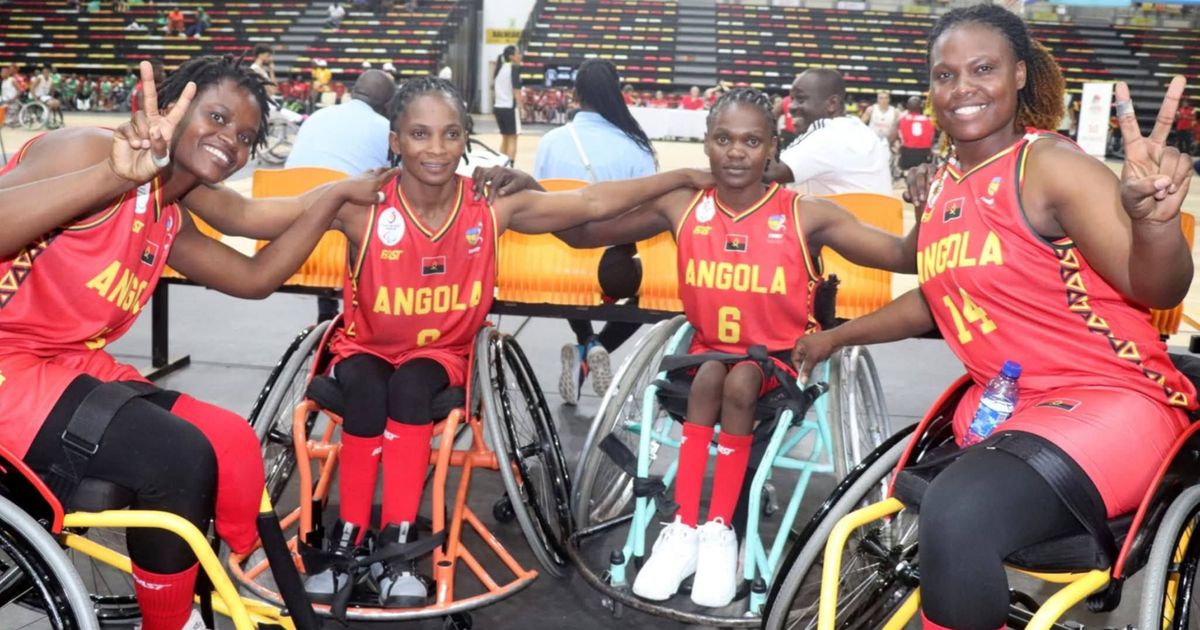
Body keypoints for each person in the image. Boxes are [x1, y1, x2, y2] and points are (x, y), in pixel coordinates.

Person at [790, 7, 1196, 630]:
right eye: (945, 74)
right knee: (944, 511)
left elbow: (1156, 284)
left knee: (958, 513)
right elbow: (937, 296)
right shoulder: (947, 180)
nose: (963, 87)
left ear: (1020, 75)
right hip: (1008, 406)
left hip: (1109, 398)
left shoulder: (1047, 166)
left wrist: (1156, 225)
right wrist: (835, 338)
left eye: (983, 68)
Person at [0, 57, 393, 630]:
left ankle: (209, 575)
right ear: (173, 105)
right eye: (216, 116)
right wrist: (113, 176)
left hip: (59, 362)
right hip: (10, 365)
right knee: (175, 456)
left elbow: (255, 277)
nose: (229, 141)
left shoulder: (166, 216)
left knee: (231, 441)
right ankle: (173, 617)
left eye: (244, 137)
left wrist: (331, 205)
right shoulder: (88, 151)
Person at [296, 75, 711, 605]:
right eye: (420, 134)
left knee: (409, 388)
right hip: (365, 349)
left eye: (451, 134)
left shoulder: (490, 205)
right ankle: (351, 534)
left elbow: (589, 203)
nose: (437, 148)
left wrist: (680, 176)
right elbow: (260, 219)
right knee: (367, 387)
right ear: (395, 140)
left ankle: (399, 542)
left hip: (439, 355)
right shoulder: (362, 203)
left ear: (467, 138)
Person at [549, 87, 919, 608]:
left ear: (773, 147)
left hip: (778, 364)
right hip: (703, 361)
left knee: (740, 376)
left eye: (751, 140)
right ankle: (685, 529)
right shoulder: (684, 204)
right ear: (706, 145)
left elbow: (904, 255)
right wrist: (528, 194)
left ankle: (718, 529)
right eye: (723, 138)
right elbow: (578, 232)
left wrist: (934, 199)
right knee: (714, 374)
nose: (737, 152)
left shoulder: (806, 213)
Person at [532, 59, 658, 405]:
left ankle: (585, 340)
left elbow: (535, 203)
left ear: (575, 94)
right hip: (610, 269)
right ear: (618, 92)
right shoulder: (636, 146)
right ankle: (598, 346)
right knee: (650, 292)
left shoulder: (551, 141)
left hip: (551, 264)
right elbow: (648, 213)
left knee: (573, 267)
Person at [764, 69, 892, 195]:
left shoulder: (827, 134)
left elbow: (766, 172)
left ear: (832, 103)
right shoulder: (862, 131)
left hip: (840, 215)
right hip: (875, 215)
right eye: (791, 99)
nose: (791, 107)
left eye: (800, 99)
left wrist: (755, 126)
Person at [286, 69, 394, 175]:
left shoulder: (317, 116)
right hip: (343, 191)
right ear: (389, 105)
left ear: (352, 92)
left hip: (287, 189)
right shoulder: (386, 129)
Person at [492, 45, 521, 163]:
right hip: (509, 107)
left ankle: (501, 166)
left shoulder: (499, 68)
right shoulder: (513, 68)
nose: (520, 56)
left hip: (498, 107)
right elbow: (516, 90)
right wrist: (521, 107)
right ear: (512, 57)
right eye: (518, 53)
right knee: (513, 138)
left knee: (505, 138)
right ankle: (510, 168)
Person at [893, 95, 934, 173]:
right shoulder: (929, 121)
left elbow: (895, 137)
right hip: (924, 154)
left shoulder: (902, 119)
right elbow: (931, 139)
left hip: (907, 153)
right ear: (921, 107)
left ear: (908, 106)